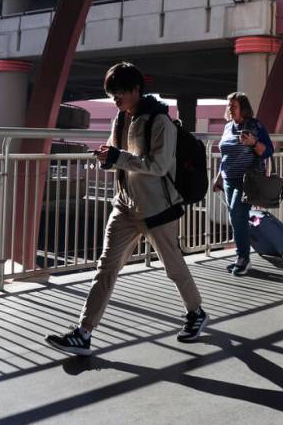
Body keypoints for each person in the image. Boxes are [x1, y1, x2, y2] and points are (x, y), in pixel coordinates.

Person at [45, 62, 207, 357]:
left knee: (174, 267)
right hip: (125, 206)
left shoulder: (160, 122)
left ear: (136, 90)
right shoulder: (120, 119)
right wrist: (107, 157)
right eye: (112, 94)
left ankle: (196, 311)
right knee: (106, 267)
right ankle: (84, 332)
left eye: (120, 93)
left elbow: (158, 166)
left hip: (158, 209)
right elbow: (116, 154)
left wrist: (119, 158)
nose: (115, 99)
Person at [213, 92, 274, 276]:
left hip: (247, 180)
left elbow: (269, 150)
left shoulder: (255, 125)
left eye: (234, 106)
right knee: (235, 217)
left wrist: (253, 142)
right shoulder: (227, 127)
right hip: (230, 179)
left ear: (243, 108)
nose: (230, 109)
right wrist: (219, 178)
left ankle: (244, 259)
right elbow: (225, 157)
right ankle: (241, 256)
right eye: (229, 106)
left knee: (238, 215)